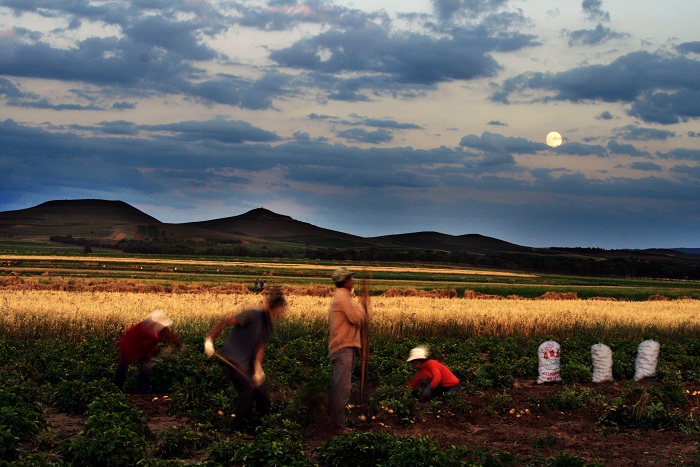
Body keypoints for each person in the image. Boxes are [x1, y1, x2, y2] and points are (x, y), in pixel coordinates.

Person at [204, 288, 287, 430]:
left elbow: (260, 347)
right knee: (247, 391)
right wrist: (210, 340)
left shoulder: (267, 326)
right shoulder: (251, 315)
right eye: (280, 310)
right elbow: (226, 321)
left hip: (246, 363)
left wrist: (258, 368)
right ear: (273, 308)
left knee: (262, 391)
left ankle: (264, 426)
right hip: (232, 359)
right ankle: (235, 430)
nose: (280, 314)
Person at [328, 267, 367, 434]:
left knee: (343, 386)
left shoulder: (345, 297)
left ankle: (338, 423)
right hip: (343, 347)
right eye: (350, 279)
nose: (352, 282)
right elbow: (356, 318)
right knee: (342, 388)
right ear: (345, 281)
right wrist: (363, 307)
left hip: (347, 346)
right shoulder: (343, 297)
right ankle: (338, 426)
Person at [114, 309, 182, 393]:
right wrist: (158, 352)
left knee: (146, 369)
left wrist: (177, 344)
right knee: (123, 367)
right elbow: (145, 345)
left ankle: (144, 391)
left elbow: (169, 336)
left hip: (145, 350)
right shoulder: (143, 329)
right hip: (130, 347)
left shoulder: (161, 329)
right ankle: (116, 389)